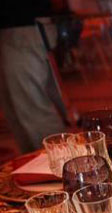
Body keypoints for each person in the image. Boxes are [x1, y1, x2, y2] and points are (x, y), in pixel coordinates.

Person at [0, 0, 68, 153]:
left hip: (22, 26)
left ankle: (62, 168)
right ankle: (43, 171)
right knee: (17, 113)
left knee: (33, 111)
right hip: (17, 27)